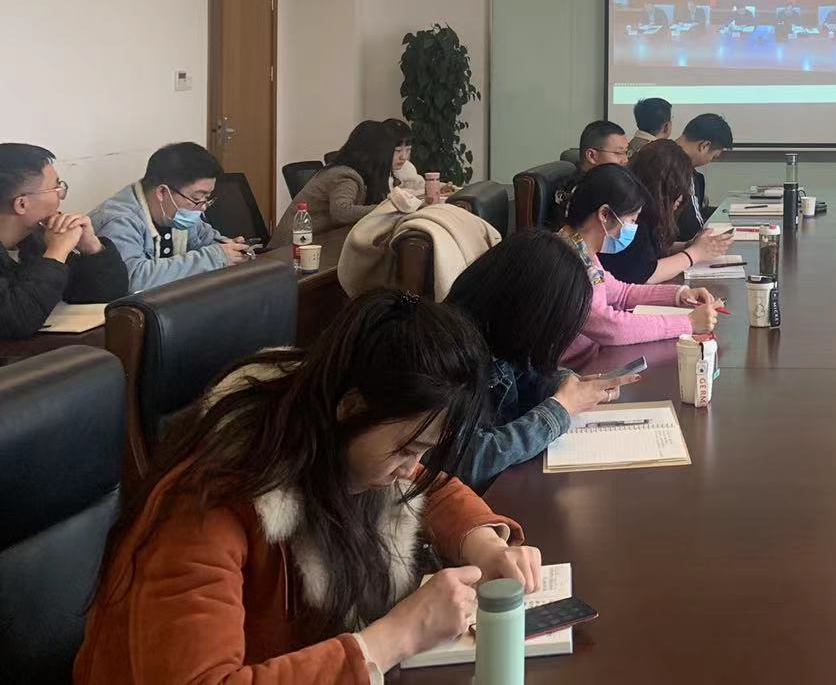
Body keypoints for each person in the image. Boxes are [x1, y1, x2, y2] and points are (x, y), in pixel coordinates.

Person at [74, 289, 543, 683]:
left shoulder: (331, 438)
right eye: (407, 449)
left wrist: (483, 543)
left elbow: (427, 488)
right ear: (351, 408)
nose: (411, 469)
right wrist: (394, 637)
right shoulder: (208, 503)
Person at [445, 230, 643, 489]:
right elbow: (470, 462)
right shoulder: (446, 357)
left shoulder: (497, 334)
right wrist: (562, 408)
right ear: (527, 312)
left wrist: (568, 386)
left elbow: (528, 375)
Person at [557, 164, 719, 364]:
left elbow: (621, 294)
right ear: (605, 214)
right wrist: (689, 322)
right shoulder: (566, 261)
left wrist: (679, 295)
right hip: (571, 369)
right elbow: (611, 327)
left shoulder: (581, 248)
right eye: (632, 220)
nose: (633, 227)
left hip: (591, 359)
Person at [0, 144, 127, 336]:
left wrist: (91, 249)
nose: (61, 196)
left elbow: (105, 294)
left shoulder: (36, 238)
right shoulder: (51, 244)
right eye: (56, 188)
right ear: (22, 204)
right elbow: (18, 319)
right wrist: (56, 253)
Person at [91, 142, 250, 291]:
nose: (202, 207)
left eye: (206, 198)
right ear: (162, 192)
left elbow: (208, 240)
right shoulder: (118, 221)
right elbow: (132, 279)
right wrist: (214, 258)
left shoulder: (178, 213)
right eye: (196, 198)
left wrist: (233, 249)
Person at [601, 140, 733, 284]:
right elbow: (644, 274)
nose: (681, 198)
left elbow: (653, 252)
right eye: (677, 189)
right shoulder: (631, 216)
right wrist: (694, 254)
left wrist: (688, 246)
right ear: (661, 188)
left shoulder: (645, 212)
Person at [269, 119, 398, 248]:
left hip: (313, 243)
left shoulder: (348, 171)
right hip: (290, 249)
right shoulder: (345, 176)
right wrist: (385, 207)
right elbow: (342, 213)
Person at [672, 112, 734, 243]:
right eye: (713, 157)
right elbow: (692, 228)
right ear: (704, 146)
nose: (710, 161)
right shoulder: (681, 167)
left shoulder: (658, 153)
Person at [385, 118, 427, 195]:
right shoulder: (377, 176)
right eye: (398, 150)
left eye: (408, 150)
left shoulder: (407, 170)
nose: (403, 157)